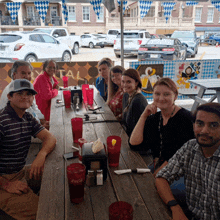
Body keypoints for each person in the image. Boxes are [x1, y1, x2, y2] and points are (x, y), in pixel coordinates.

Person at [0, 79, 56, 220]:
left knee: (56, 175)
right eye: (20, 93)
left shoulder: (27, 117)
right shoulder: (2, 121)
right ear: (9, 96)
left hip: (20, 172)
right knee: (47, 212)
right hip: (3, 181)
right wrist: (6, 184)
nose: (25, 97)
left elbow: (50, 138)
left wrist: (41, 155)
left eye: (29, 94)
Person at [155, 103, 220, 220]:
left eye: (213, 125)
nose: (204, 131)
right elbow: (161, 178)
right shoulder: (190, 147)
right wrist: (175, 207)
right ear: (194, 125)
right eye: (200, 123)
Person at [130, 77, 194, 175]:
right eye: (157, 94)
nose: (161, 98)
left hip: (182, 170)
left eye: (166, 94)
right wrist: (143, 116)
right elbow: (134, 143)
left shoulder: (185, 118)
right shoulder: (155, 118)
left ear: (175, 96)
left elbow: (177, 156)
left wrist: (156, 175)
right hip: (158, 166)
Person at [0, 61, 49, 130]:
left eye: (29, 73)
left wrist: (43, 121)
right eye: (23, 73)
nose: (27, 76)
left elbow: (34, 108)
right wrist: (40, 128)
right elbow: (17, 123)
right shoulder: (12, 92)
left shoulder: (27, 87)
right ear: (14, 75)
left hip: (32, 127)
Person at [122, 68, 148, 137]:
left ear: (136, 83)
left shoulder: (138, 100)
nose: (125, 85)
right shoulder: (126, 95)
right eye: (123, 81)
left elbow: (140, 129)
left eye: (128, 82)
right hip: (127, 134)